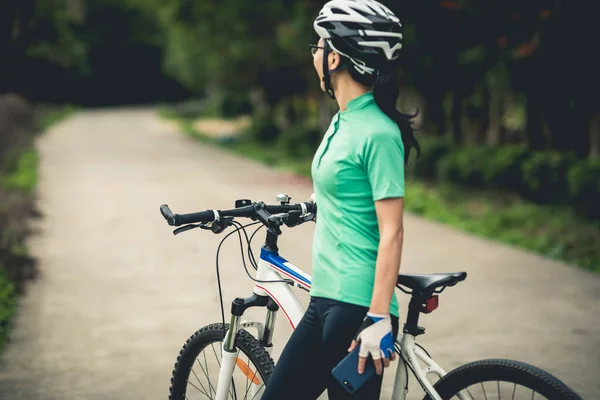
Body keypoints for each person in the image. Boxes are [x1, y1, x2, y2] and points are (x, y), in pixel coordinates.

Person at [261, 0, 420, 398]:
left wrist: (379, 317)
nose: (314, 53)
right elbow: (345, 188)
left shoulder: (378, 133)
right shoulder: (343, 119)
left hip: (358, 308)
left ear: (335, 58)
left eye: (318, 46)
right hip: (325, 298)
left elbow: (392, 232)